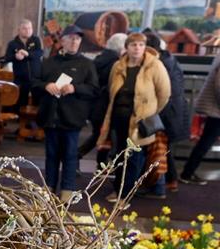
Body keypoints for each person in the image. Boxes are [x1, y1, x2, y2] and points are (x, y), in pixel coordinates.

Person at [97, 32, 170, 202]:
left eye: (140, 45)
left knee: (134, 159)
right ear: (127, 47)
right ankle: (118, 189)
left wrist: (150, 112)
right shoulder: (118, 66)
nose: (137, 48)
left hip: (140, 122)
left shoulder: (155, 66)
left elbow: (164, 94)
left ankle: (124, 195)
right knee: (119, 156)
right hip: (118, 119)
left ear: (145, 47)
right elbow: (111, 90)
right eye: (133, 45)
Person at [34, 25, 99, 201]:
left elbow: (94, 90)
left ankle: (67, 189)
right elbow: (34, 84)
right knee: (51, 155)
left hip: (73, 118)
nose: (74, 41)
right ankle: (49, 186)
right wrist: (46, 86)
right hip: (50, 116)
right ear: (62, 41)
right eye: (70, 38)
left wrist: (75, 88)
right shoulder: (48, 62)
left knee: (70, 155)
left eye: (77, 39)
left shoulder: (87, 64)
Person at [146, 32, 187, 191]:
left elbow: (163, 93)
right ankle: (169, 182)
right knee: (164, 148)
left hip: (165, 113)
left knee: (159, 149)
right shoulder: (169, 59)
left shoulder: (158, 63)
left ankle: (159, 185)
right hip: (174, 112)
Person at [79, 32, 126, 164]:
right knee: (102, 136)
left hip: (94, 104)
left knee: (102, 136)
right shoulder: (116, 63)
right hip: (104, 105)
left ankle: (100, 166)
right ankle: (77, 156)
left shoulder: (99, 58)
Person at [180, 54, 220, 185]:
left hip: (213, 107)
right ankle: (187, 173)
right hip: (215, 108)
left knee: (205, 142)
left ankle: (187, 172)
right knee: (205, 142)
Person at [4, 19, 43, 110]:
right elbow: (7, 58)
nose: (28, 30)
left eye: (29, 28)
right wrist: (15, 57)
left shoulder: (36, 40)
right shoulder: (12, 44)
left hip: (36, 77)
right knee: (21, 100)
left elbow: (40, 53)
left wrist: (28, 54)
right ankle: (19, 119)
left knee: (37, 100)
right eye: (25, 28)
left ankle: (35, 119)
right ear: (19, 30)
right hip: (21, 78)